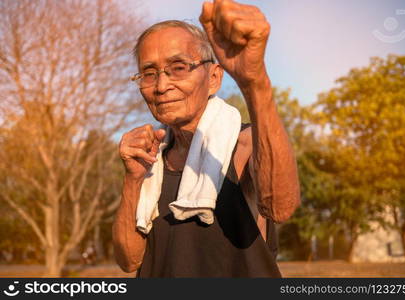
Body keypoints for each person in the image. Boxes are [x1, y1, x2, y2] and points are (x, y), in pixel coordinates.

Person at [112, 0, 300, 277]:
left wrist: (254, 81)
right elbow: (128, 261)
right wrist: (133, 178)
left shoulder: (245, 143)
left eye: (178, 68)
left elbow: (280, 208)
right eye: (149, 73)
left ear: (213, 78)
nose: (162, 86)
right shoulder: (151, 159)